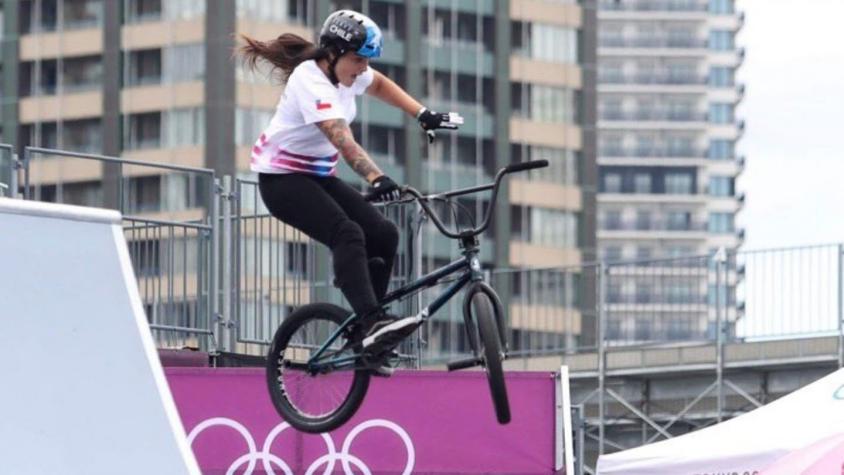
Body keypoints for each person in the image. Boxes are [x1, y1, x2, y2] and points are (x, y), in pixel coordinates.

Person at [240, 10, 462, 371]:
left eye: (366, 60)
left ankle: (366, 334)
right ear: (332, 52)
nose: (362, 67)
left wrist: (422, 113)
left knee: (384, 234)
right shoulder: (310, 81)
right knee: (347, 234)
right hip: (282, 181)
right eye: (358, 59)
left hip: (318, 177)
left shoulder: (349, 72)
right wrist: (377, 178)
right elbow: (341, 138)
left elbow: (378, 84)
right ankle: (373, 322)